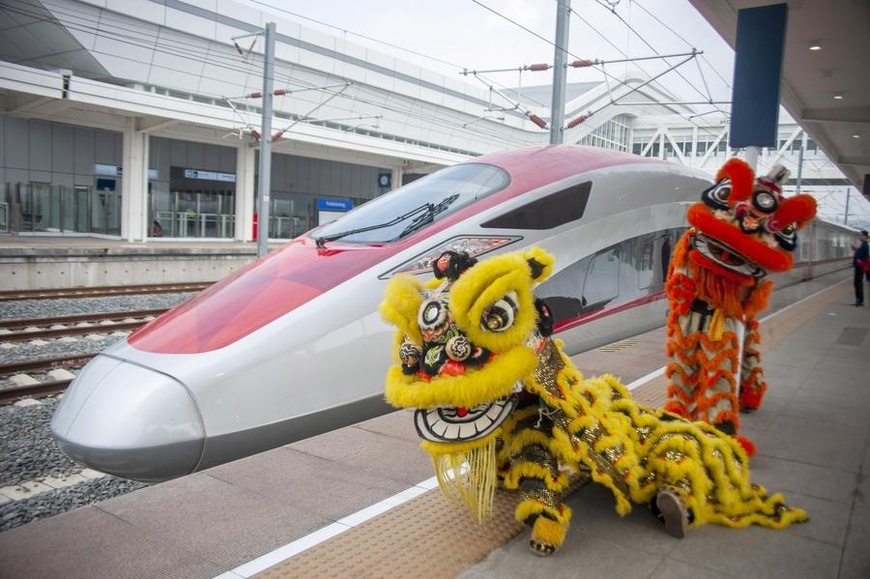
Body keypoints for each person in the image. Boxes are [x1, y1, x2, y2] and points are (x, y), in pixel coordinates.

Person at [851, 229, 869, 306]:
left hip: (860, 267)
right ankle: (859, 300)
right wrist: (856, 249)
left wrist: (856, 250)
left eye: (861, 235)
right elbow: (860, 253)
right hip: (859, 266)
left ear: (865, 236)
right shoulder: (863, 244)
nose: (860, 236)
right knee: (858, 283)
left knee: (858, 283)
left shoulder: (865, 245)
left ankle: (859, 300)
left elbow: (862, 256)